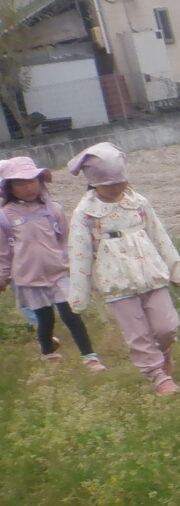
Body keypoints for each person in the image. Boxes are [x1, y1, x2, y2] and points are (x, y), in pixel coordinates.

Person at [66, 142, 180, 395]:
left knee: (166, 327)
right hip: (116, 283)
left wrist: (176, 270)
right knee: (138, 333)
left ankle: (164, 352)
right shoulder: (86, 213)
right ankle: (157, 376)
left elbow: (159, 235)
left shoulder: (138, 203)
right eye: (108, 185)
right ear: (94, 183)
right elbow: (79, 254)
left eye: (119, 182)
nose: (115, 189)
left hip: (151, 274)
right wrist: (79, 296)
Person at [0, 156, 104, 370]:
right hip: (30, 278)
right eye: (20, 183)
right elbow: (4, 253)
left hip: (59, 273)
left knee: (71, 314)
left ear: (40, 181)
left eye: (32, 181)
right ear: (9, 187)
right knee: (45, 319)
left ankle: (90, 357)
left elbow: (66, 240)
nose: (28, 188)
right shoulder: (4, 217)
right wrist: (3, 277)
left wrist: (77, 263)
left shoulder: (52, 210)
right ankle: (48, 351)